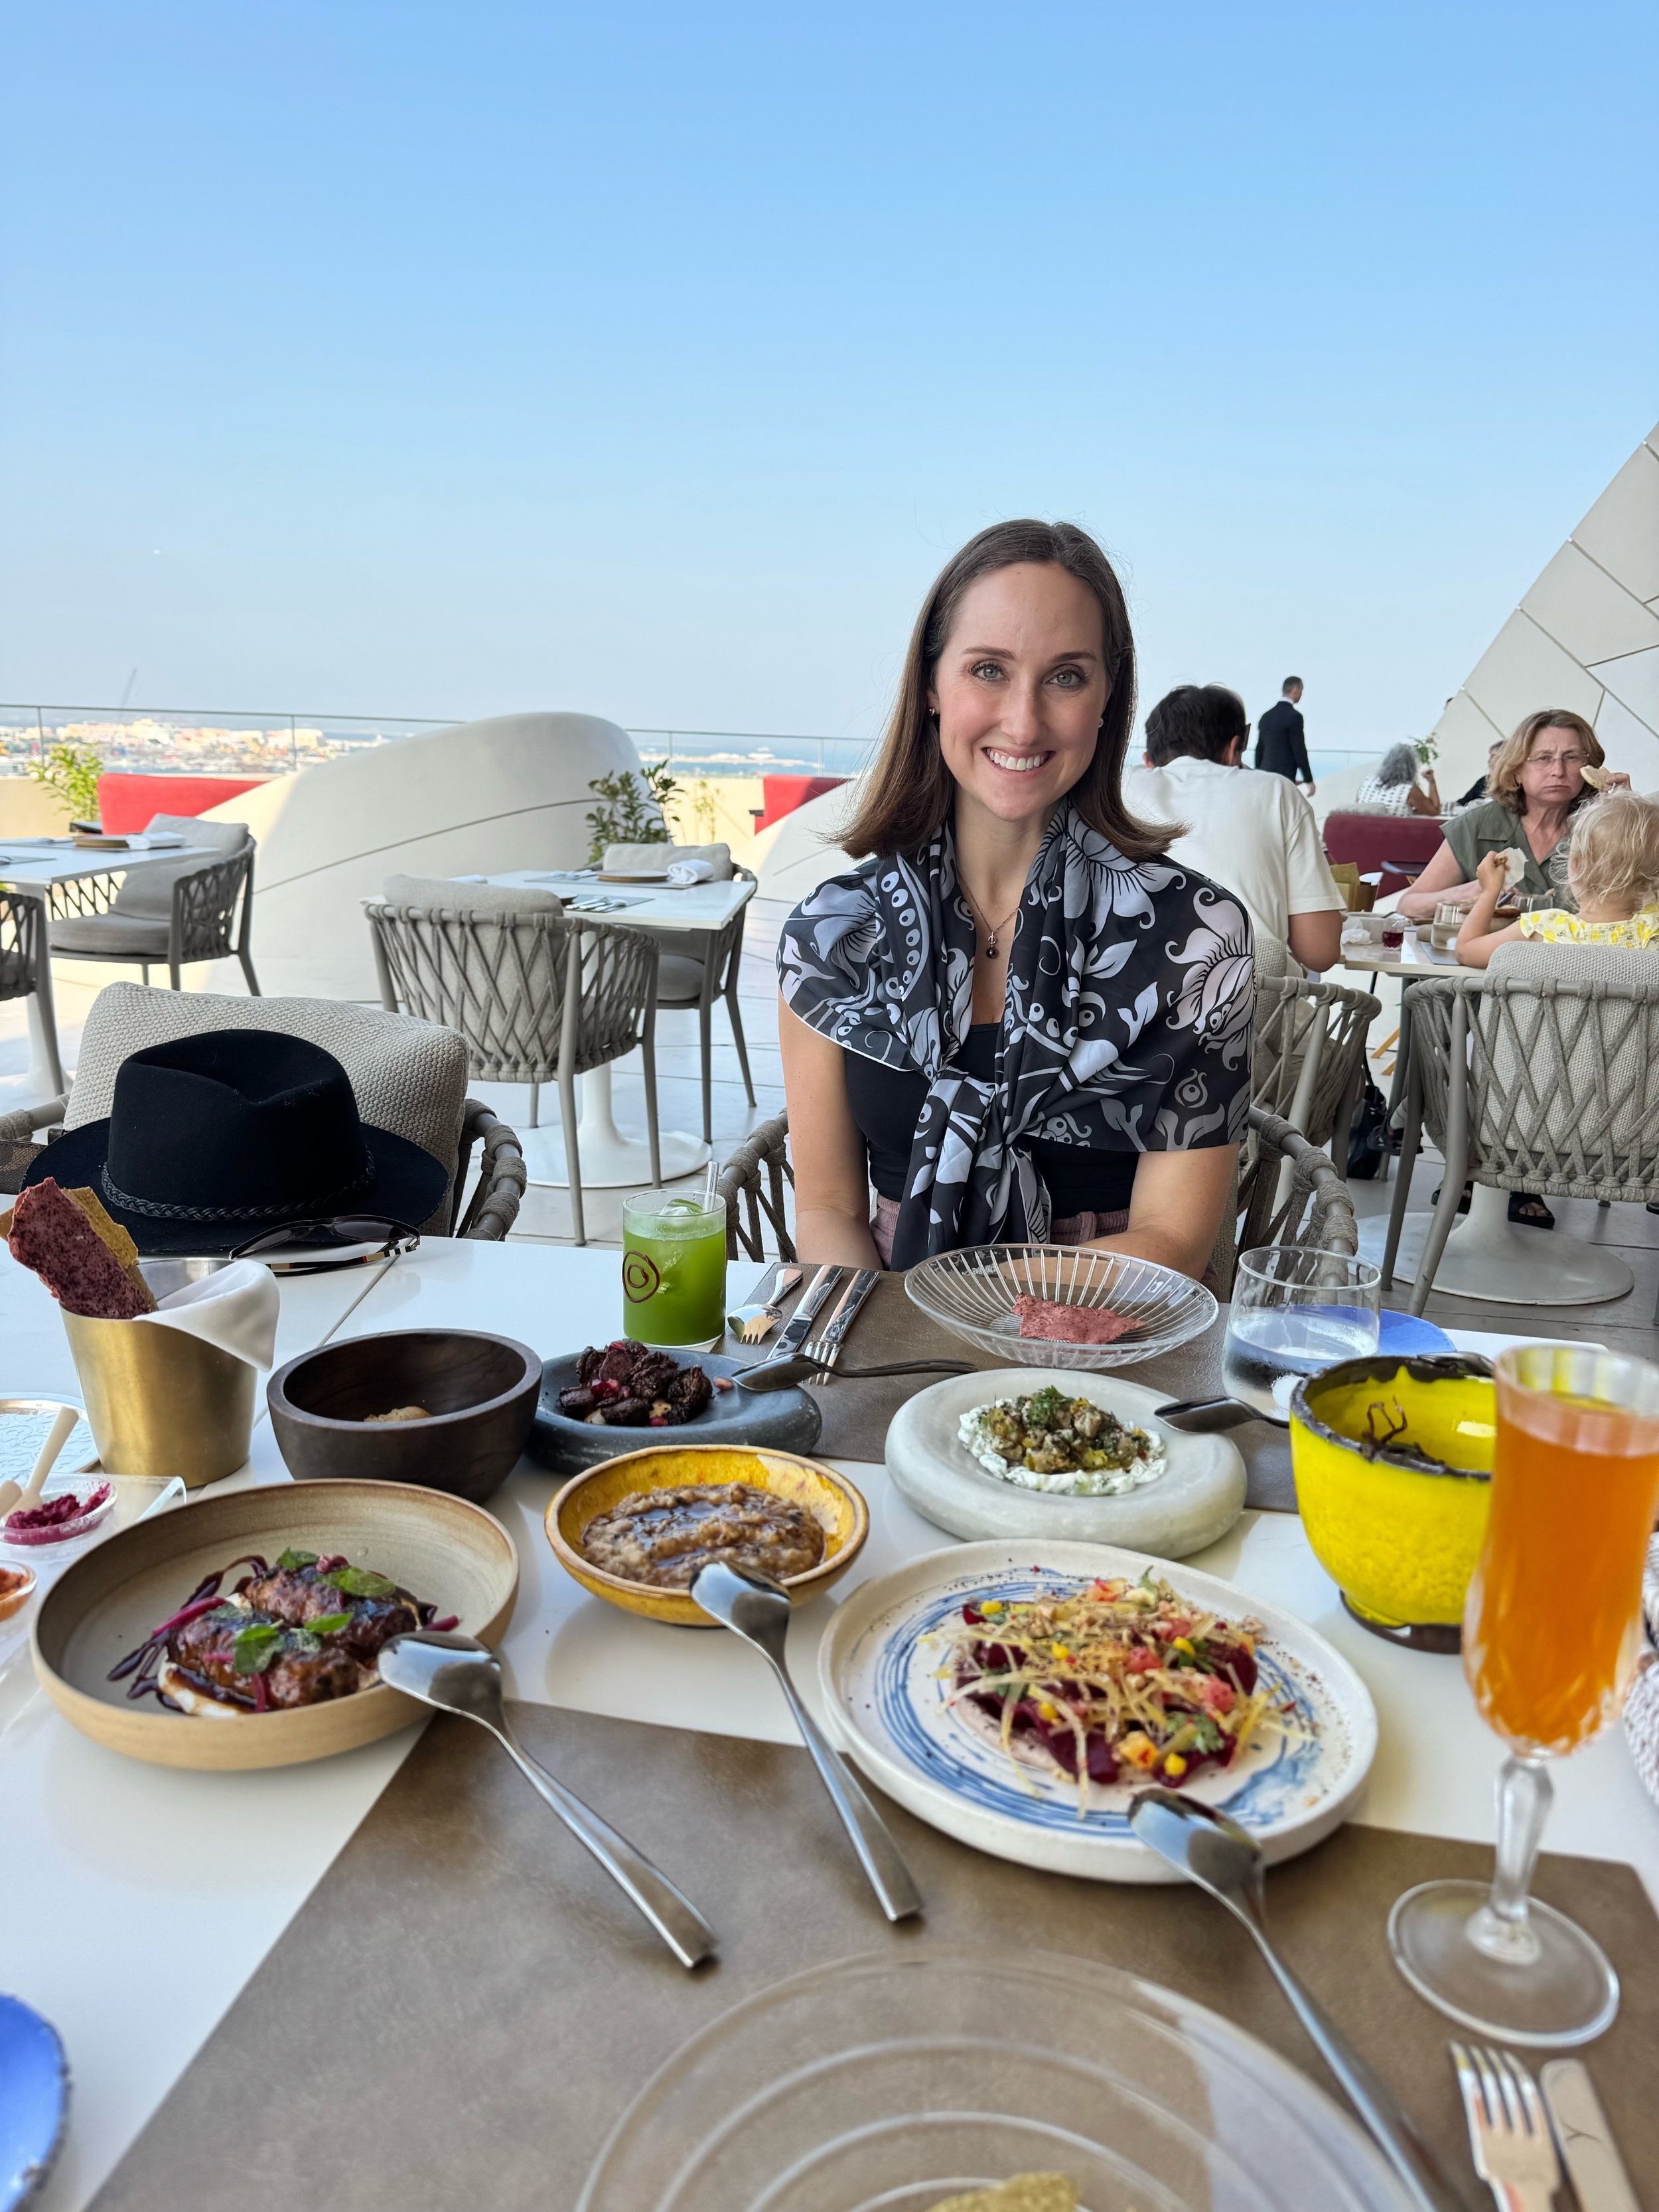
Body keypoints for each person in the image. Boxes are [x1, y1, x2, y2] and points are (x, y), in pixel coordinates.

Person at [776, 520, 1252, 1275]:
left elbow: (1171, 1242)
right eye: (988, 670)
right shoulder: (832, 935)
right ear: (932, 686)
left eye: (1066, 676)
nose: (1023, 721)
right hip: (888, 1327)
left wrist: (969, 1322)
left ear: (1106, 699)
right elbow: (828, 1210)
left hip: (1110, 1324)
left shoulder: (1197, 938)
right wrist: (881, 1352)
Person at [1125, 682, 1344, 970]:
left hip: (1131, 1003)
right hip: (1253, 1003)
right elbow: (1320, 952)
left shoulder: (1120, 788)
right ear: (1233, 750)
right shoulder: (1276, 792)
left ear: (1148, 760)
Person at [1396, 709, 1630, 921]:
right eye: (1544, 758)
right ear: (1517, 770)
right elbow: (1409, 905)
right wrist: (1469, 893)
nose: (1558, 771)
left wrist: (1628, 818)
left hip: (1577, 966)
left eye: (1571, 757)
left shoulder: (1604, 827)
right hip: (1485, 967)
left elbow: (1640, 908)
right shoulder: (1479, 824)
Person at [1456, 788, 1659, 967]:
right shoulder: (1654, 928)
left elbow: (1466, 951)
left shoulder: (1545, 928)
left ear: (1575, 865)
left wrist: (1490, 891)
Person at [1352, 741, 1441, 816]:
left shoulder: (1369, 780)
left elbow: (1358, 806)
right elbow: (1434, 811)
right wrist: (1431, 782)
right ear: (1411, 767)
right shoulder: (1408, 789)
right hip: (1392, 834)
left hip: (1363, 832)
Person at [1256, 678, 1313, 792]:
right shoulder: (1295, 717)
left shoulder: (1266, 717)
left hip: (1264, 776)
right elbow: (1299, 750)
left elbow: (1260, 749)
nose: (1302, 694)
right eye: (1301, 690)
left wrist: (1258, 772)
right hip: (1285, 778)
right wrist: (1309, 779)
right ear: (1295, 690)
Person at [1453, 739, 1502, 810]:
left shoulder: (1514, 785)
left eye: (1493, 756)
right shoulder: (1484, 781)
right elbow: (1464, 802)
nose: (1489, 761)